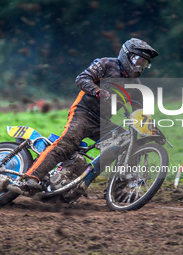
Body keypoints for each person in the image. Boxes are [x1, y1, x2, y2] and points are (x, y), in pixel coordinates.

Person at [22, 38, 159, 192]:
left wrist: (153, 131)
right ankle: (31, 177)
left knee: (126, 140)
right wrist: (97, 91)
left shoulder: (136, 86)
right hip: (83, 112)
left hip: (102, 122)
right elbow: (81, 78)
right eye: (138, 60)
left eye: (144, 63)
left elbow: (139, 113)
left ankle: (118, 191)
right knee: (67, 144)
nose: (140, 66)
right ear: (127, 55)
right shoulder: (106, 64)